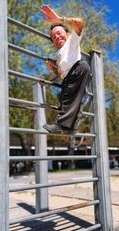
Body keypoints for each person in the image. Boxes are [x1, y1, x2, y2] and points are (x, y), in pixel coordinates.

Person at [40, 4, 91, 134]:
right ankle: (71, 127)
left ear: (67, 34)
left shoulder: (71, 41)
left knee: (69, 97)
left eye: (59, 33)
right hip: (70, 75)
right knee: (64, 97)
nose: (56, 37)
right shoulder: (60, 54)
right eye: (53, 37)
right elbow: (62, 73)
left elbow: (79, 23)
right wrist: (54, 69)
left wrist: (58, 19)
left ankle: (62, 125)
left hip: (78, 69)